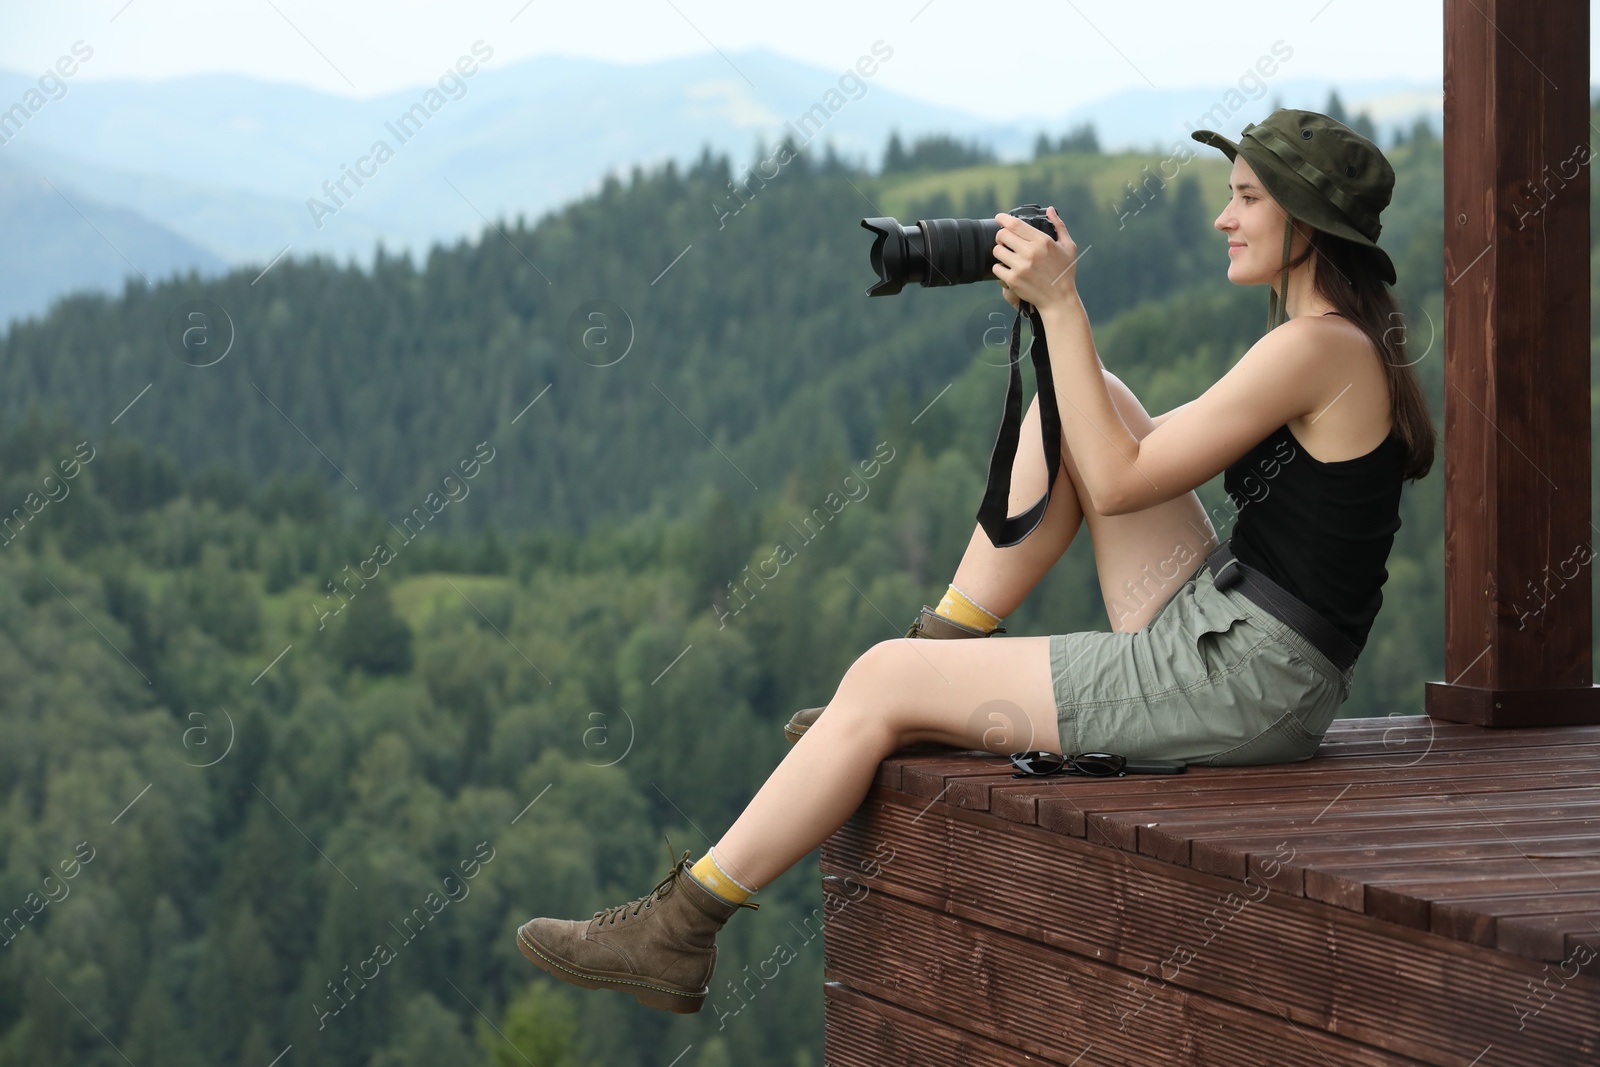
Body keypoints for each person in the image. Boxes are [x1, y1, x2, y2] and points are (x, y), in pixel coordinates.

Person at [514, 108, 1437, 1016]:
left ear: (1305, 225)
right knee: (1091, 401)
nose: (1222, 218)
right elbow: (1122, 447)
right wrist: (1063, 329)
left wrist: (1062, 303)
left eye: (1245, 198)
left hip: (1240, 679)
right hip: (1236, 636)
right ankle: (937, 654)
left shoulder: (1315, 349)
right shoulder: (1334, 342)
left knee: (881, 675)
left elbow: (1119, 484)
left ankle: (682, 927)